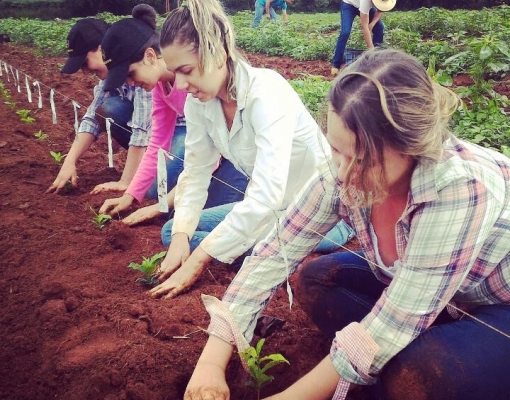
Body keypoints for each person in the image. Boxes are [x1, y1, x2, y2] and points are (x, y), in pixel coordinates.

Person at [185, 48, 510, 400]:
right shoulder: (342, 171)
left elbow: (392, 323)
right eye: (336, 150)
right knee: (318, 281)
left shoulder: (461, 188)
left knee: (422, 374)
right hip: (425, 293)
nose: (341, 173)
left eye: (360, 160)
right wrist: (211, 365)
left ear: (410, 147)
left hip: (495, 303)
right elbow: (273, 254)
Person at [149, 0, 354, 299]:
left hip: (321, 215)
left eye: (186, 70)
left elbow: (266, 194)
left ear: (217, 51)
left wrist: (198, 259)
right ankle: (262, 253)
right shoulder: (199, 103)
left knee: (212, 245)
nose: (180, 84)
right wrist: (182, 237)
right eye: (174, 72)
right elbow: (196, 171)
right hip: (270, 212)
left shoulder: (267, 93)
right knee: (173, 233)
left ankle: (274, 257)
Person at [97, 4, 248, 226]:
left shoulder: (199, 85)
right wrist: (130, 195)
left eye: (131, 73)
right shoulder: (161, 88)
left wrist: (163, 204)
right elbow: (158, 142)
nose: (130, 83)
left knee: (190, 219)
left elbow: (208, 156)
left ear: (150, 56)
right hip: (213, 154)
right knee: (167, 204)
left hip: (236, 160)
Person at [46, 18, 152, 194]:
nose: (86, 71)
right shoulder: (109, 78)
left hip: (173, 138)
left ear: (103, 48)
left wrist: (126, 182)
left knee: (151, 189)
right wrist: (69, 161)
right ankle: (146, 165)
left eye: (85, 62)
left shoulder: (138, 68)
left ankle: (152, 167)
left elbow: (142, 127)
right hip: (153, 139)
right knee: (107, 109)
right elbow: (92, 118)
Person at [330, 0, 395, 77]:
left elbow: (381, 10)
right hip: (349, 4)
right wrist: (371, 50)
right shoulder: (366, 1)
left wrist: (372, 24)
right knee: (345, 33)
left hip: (364, 6)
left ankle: (377, 58)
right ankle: (336, 65)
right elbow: (364, 27)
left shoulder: (389, 1)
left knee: (379, 28)